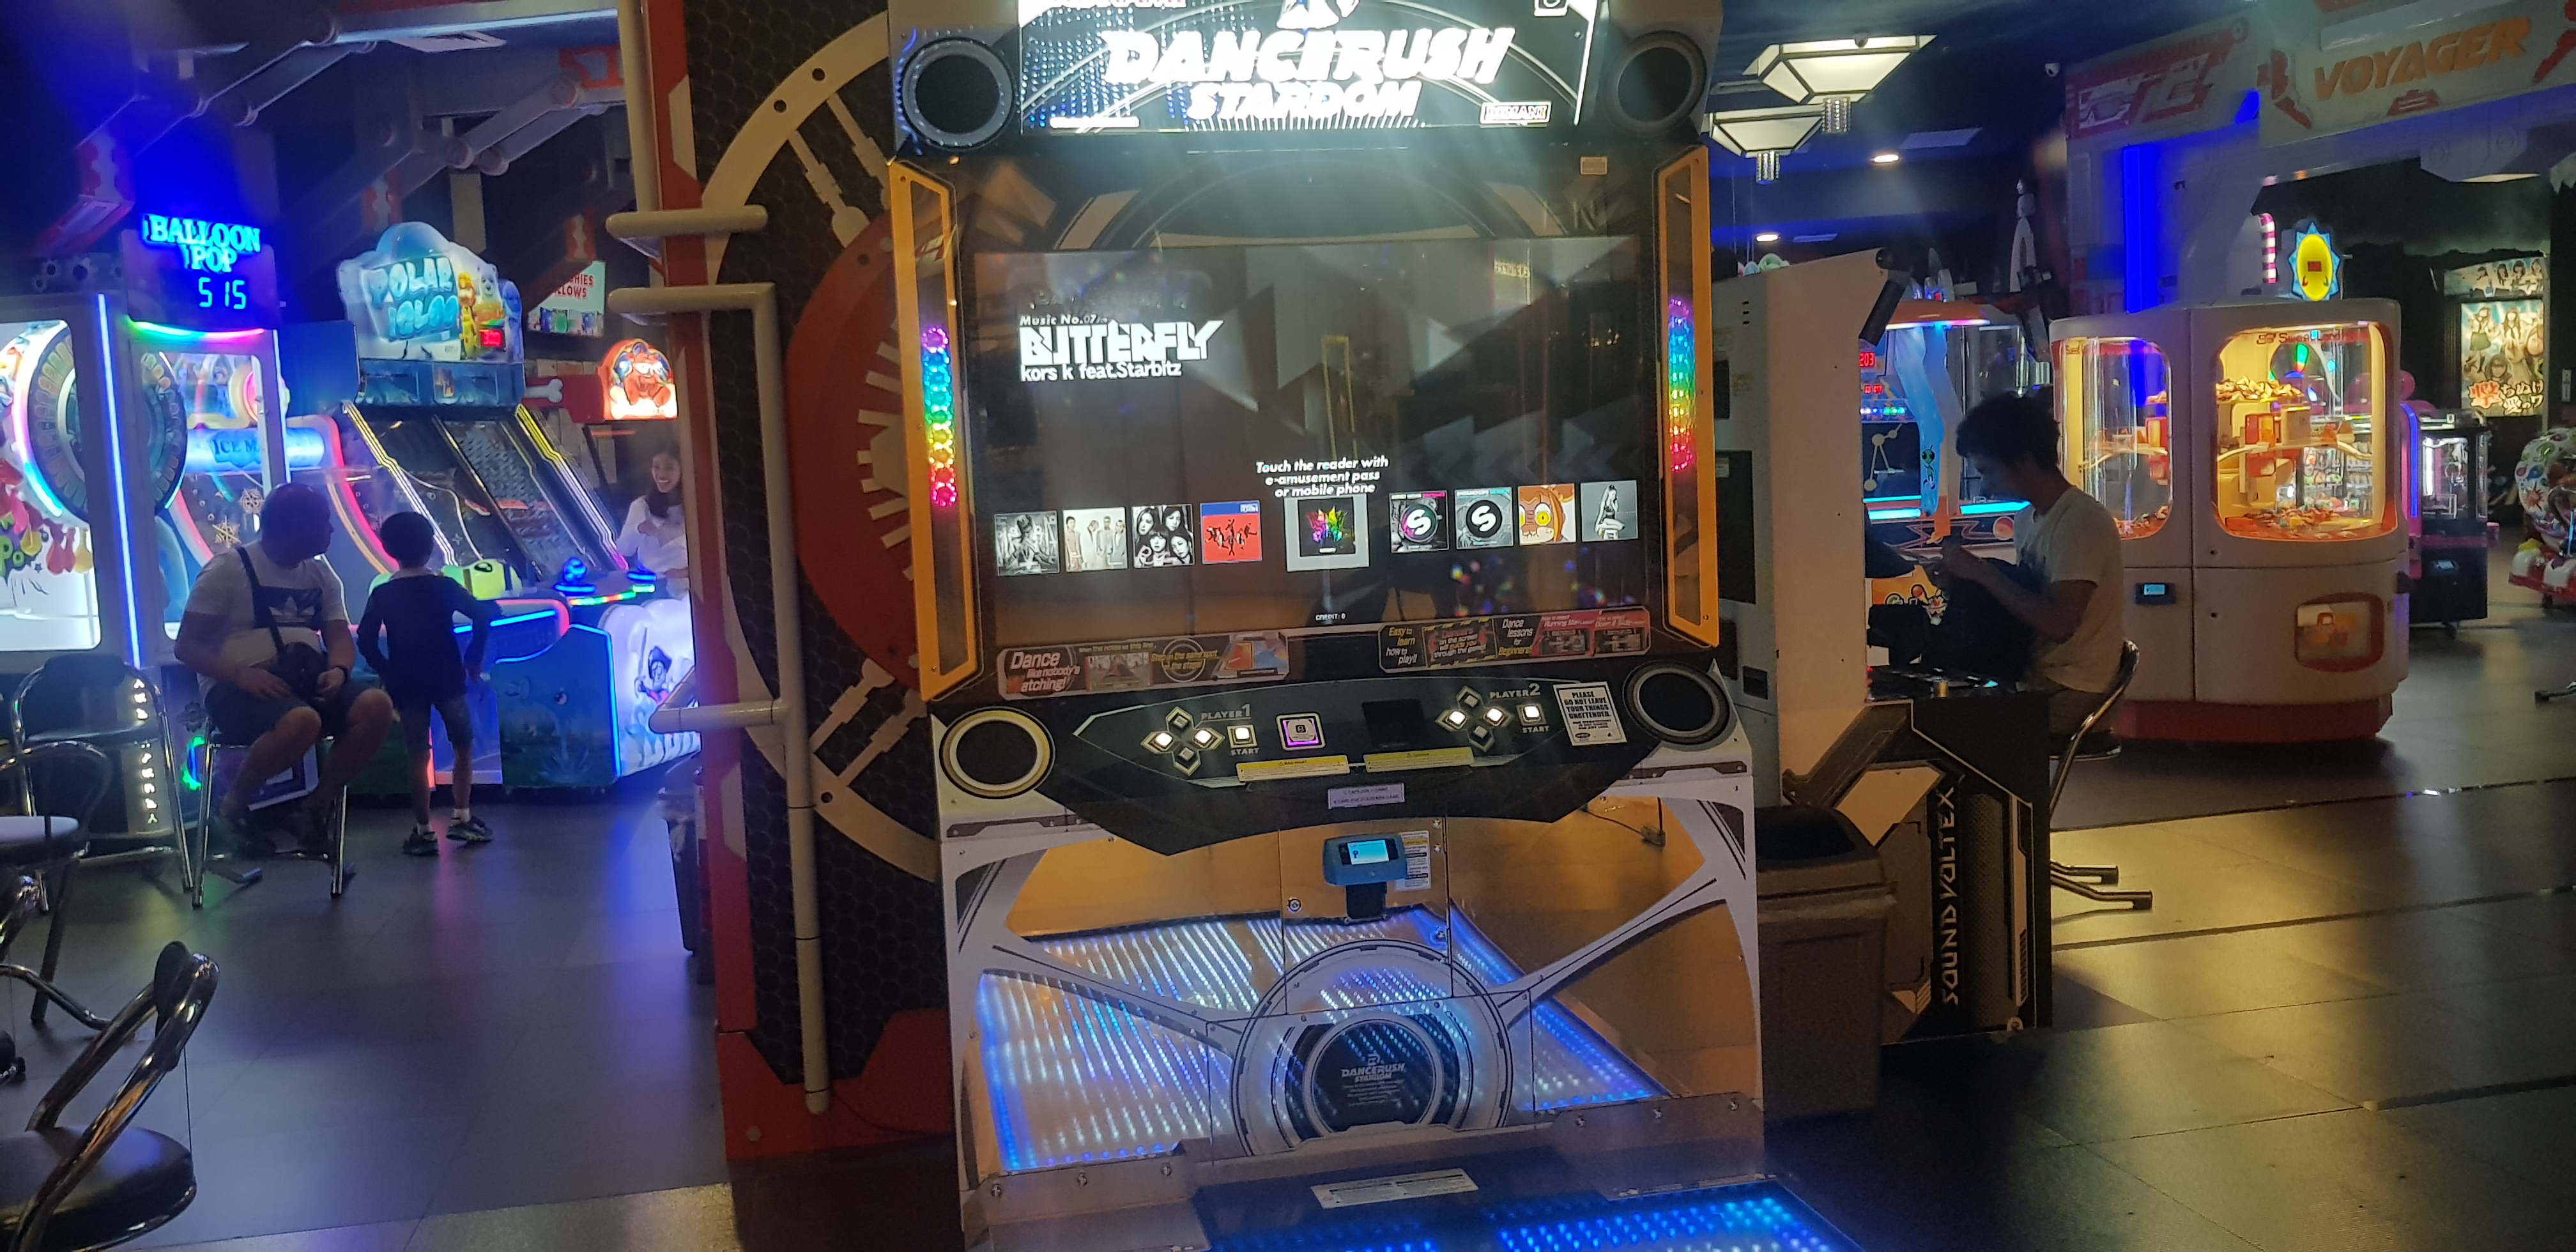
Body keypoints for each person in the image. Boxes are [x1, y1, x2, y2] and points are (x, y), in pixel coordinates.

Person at [174, 482, 395, 857]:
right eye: (323, 521)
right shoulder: (229, 569)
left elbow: (339, 639)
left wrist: (339, 670)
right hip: (238, 688)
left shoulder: (321, 576)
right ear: (295, 526)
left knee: (377, 705)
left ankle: (315, 807)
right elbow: (187, 646)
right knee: (301, 722)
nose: (331, 529)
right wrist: (241, 674)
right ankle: (233, 807)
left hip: (305, 679)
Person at [1938, 390, 2127, 741]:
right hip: (2038, 676)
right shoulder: (2028, 519)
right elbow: (2025, 600)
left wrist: (1982, 572)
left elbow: (2059, 623)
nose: (1986, 487)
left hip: (2073, 689)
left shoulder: (2080, 522)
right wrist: (1963, 582)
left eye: (1988, 471)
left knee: (1952, 731)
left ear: (2025, 460)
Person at [357, 512, 496, 856]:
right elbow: (481, 616)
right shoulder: (444, 586)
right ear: (431, 545)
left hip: (406, 681)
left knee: (418, 754)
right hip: (447, 675)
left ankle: (423, 829)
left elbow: (366, 639)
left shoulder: (384, 594)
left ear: (389, 549)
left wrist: (386, 670)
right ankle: (462, 816)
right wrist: (473, 656)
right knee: (463, 744)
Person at [616, 447, 689, 591]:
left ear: (683, 470)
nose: (661, 474)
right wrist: (639, 529)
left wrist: (686, 573)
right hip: (653, 586)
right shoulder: (641, 506)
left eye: (669, 468)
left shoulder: (695, 507)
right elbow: (624, 549)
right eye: (656, 467)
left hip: (692, 586)